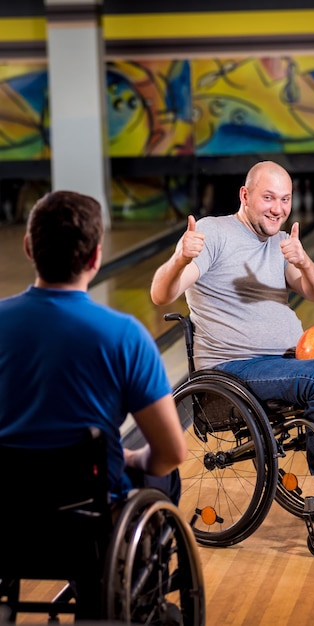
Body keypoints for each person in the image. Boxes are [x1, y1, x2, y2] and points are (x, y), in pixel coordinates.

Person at [150, 160, 314, 525]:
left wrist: (303, 261)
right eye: (268, 197)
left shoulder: (278, 243)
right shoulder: (213, 234)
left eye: (285, 199)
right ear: (245, 195)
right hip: (236, 369)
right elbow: (162, 294)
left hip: (291, 361)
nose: (277, 208)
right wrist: (180, 257)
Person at [0, 190, 187, 507]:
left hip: (10, 499)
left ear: (29, 247)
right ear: (96, 257)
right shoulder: (125, 337)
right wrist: (138, 459)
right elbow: (171, 452)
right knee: (165, 475)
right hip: (88, 505)